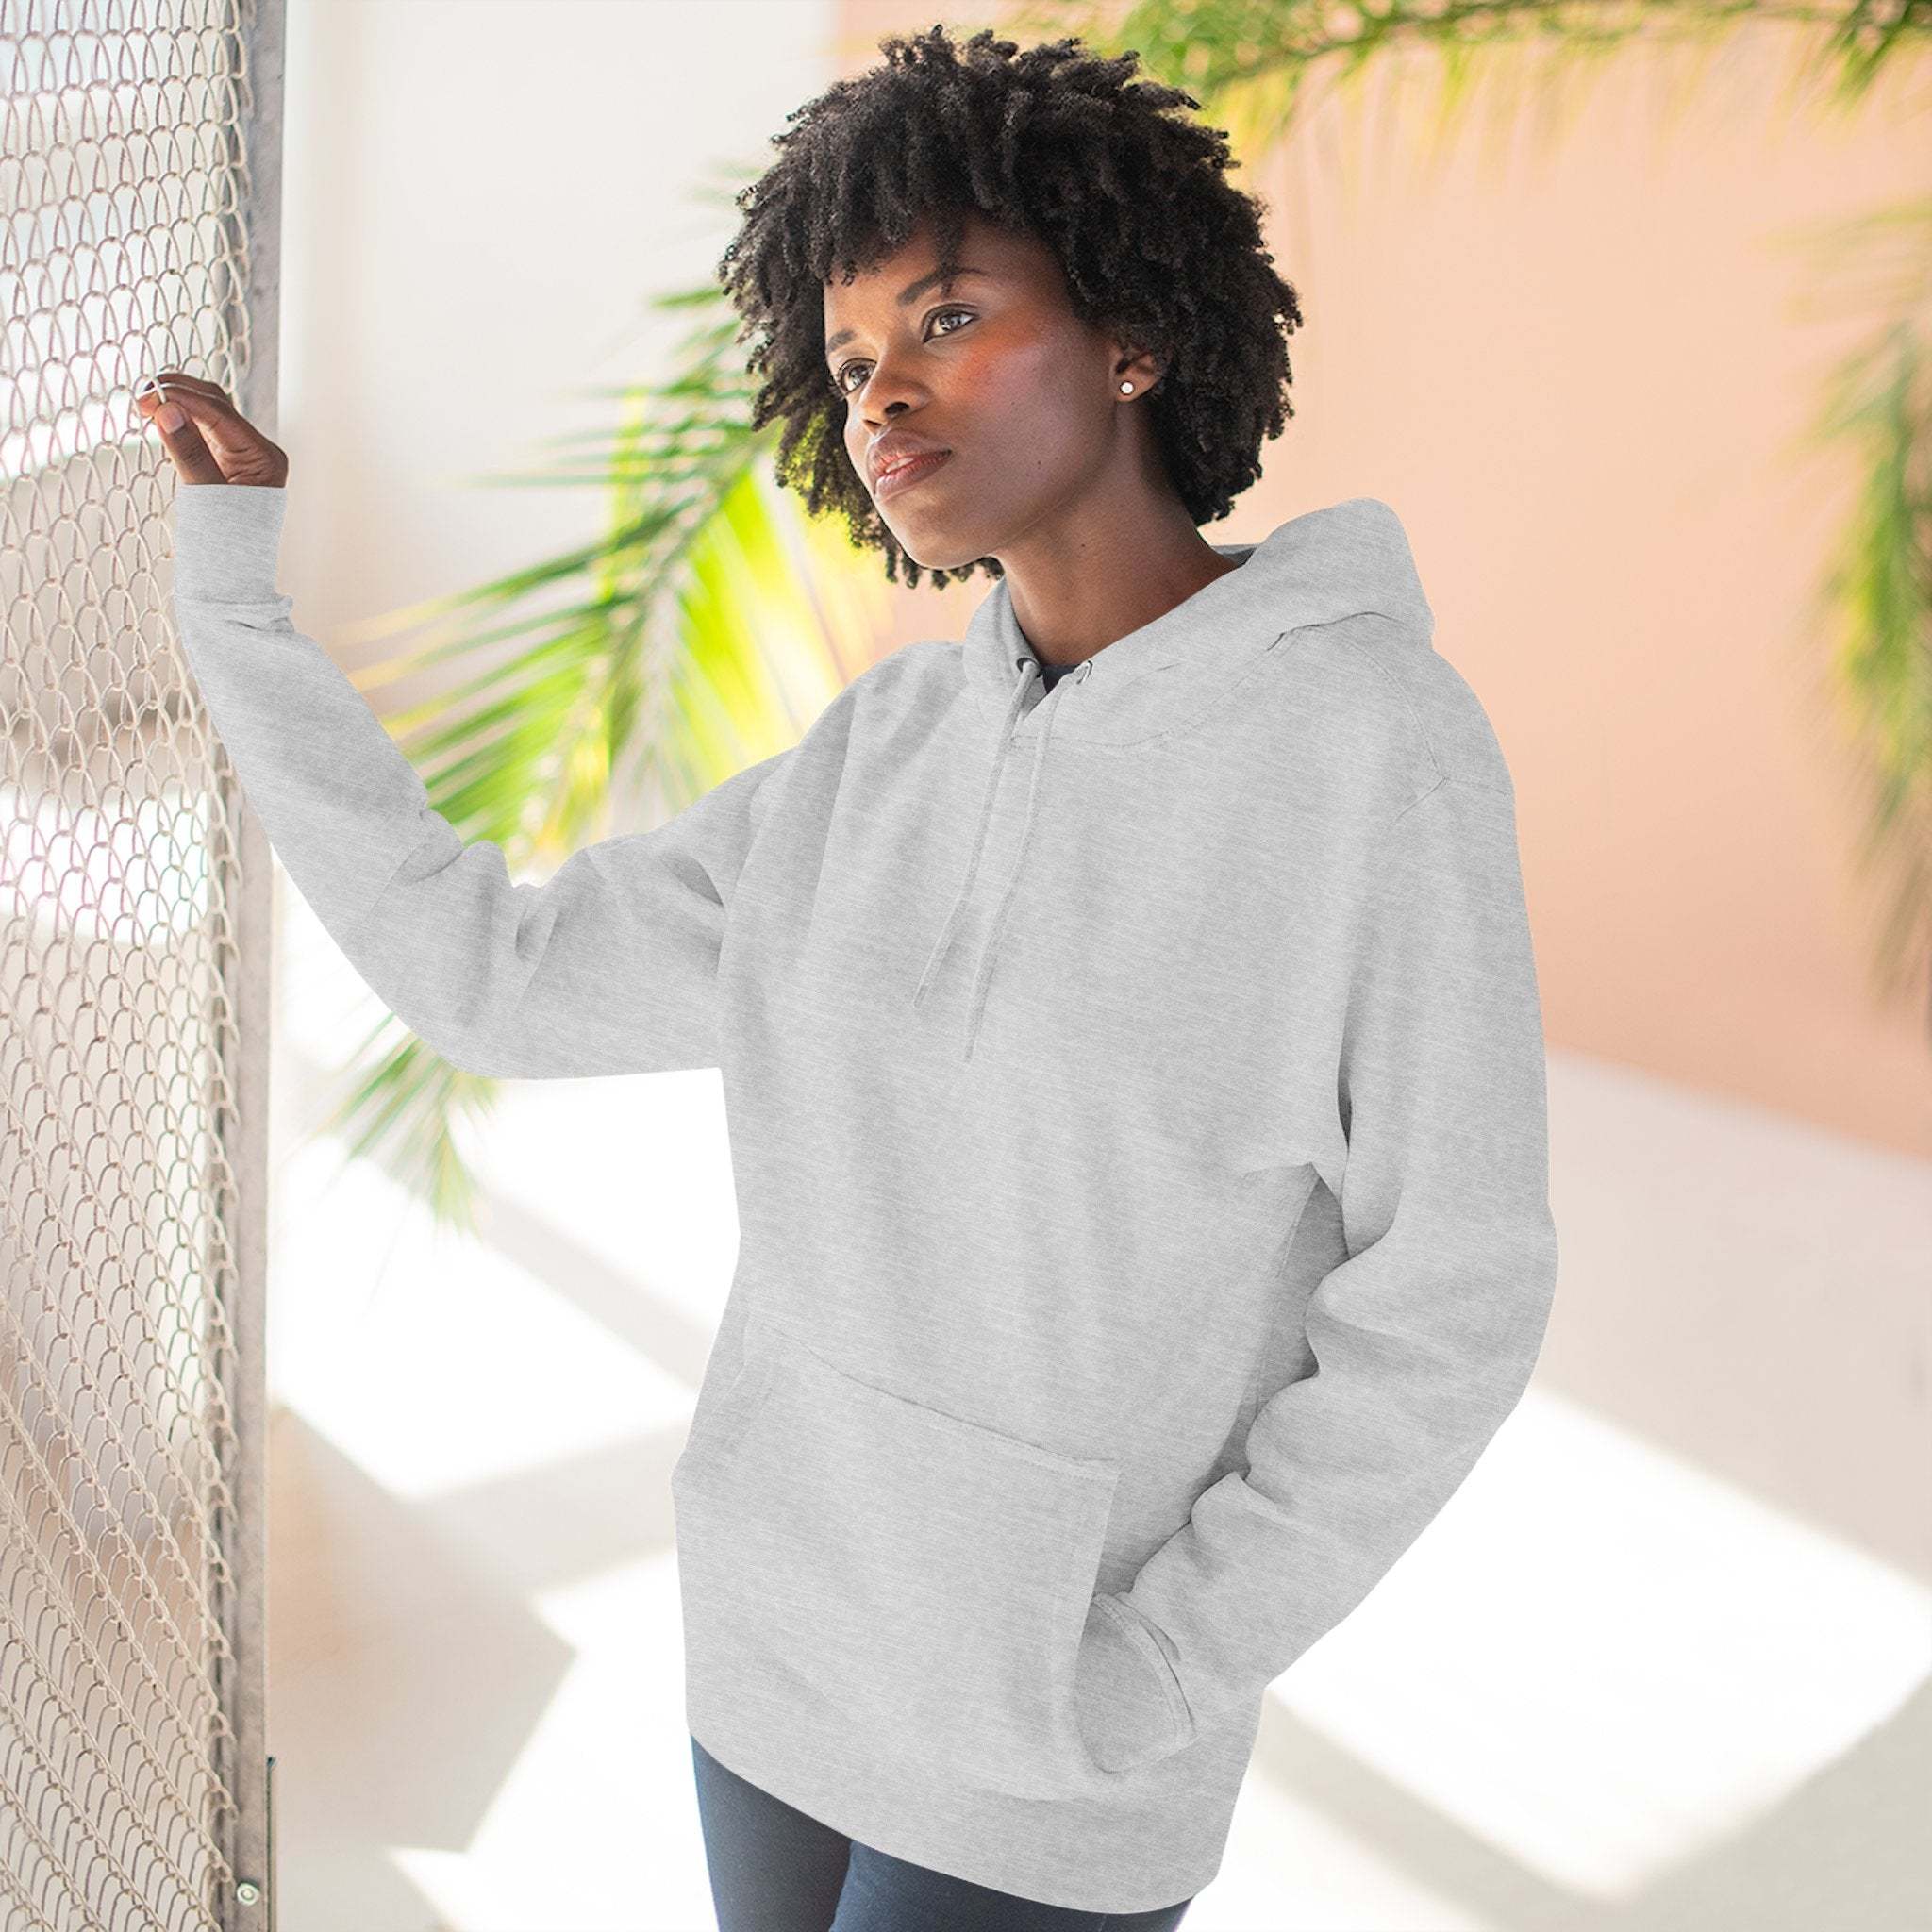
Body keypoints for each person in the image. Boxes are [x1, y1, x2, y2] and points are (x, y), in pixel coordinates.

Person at [148, 23, 1559, 1931]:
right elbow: (494, 977)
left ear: (1134, 330)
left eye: (948, 318)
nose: (883, 393)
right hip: (775, 1649)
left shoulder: (1366, 749)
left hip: (1057, 1737)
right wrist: (239, 606)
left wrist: (1157, 1667)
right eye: (847, 360)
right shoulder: (879, 754)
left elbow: (1453, 1287)